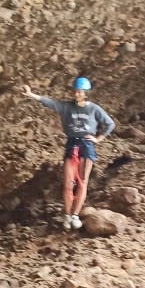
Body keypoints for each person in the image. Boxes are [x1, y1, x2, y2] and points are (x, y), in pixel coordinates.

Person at [21, 77, 116, 230]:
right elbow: (50, 102)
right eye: (76, 91)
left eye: (80, 92)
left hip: (86, 145)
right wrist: (31, 94)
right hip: (72, 143)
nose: (77, 94)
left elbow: (110, 123)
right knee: (67, 184)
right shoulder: (67, 107)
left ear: (85, 93)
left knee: (82, 183)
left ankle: (75, 215)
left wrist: (98, 139)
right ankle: (67, 214)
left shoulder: (94, 109)